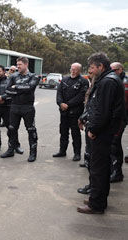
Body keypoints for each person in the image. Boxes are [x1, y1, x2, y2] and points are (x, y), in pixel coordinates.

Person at [77, 52, 126, 214]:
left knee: (98, 168)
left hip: (102, 132)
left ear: (101, 66)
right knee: (101, 167)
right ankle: (97, 197)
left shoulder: (107, 82)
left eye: (92, 67)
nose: (90, 70)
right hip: (105, 130)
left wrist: (93, 129)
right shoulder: (108, 80)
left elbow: (103, 111)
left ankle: (96, 204)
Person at [4, 57, 38, 162]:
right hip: (14, 106)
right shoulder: (13, 76)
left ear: (26, 64)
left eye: (20, 64)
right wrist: (21, 89)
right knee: (11, 128)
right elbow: (7, 90)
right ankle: (11, 149)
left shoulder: (34, 76)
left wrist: (16, 87)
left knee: (31, 130)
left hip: (27, 107)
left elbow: (30, 88)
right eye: (17, 64)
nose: (18, 66)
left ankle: (33, 153)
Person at [53, 63, 89, 161]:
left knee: (75, 133)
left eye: (75, 70)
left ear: (79, 70)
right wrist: (60, 103)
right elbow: (59, 92)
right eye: (71, 69)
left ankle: (77, 153)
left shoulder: (83, 81)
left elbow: (81, 96)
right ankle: (62, 151)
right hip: (64, 112)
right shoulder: (64, 79)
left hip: (75, 112)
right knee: (63, 132)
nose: (73, 71)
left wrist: (68, 104)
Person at [0, 64, 23, 155]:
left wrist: (3, 97)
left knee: (11, 127)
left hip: (7, 107)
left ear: (4, 72)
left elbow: (14, 91)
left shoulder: (10, 81)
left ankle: (16, 145)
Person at [108, 62, 127, 182]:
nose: (111, 72)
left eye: (113, 70)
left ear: (120, 70)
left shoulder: (124, 81)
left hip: (121, 116)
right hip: (116, 116)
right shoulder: (112, 80)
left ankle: (117, 172)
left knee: (115, 142)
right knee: (113, 142)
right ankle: (114, 169)